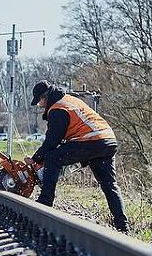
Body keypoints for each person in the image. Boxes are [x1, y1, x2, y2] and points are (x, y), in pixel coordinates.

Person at [27, 80, 129, 232]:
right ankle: (123, 226)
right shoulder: (70, 100)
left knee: (53, 158)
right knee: (110, 185)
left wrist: (36, 158)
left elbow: (52, 140)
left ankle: (45, 203)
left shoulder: (57, 109)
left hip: (91, 140)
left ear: (45, 97)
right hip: (107, 140)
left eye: (40, 101)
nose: (40, 105)